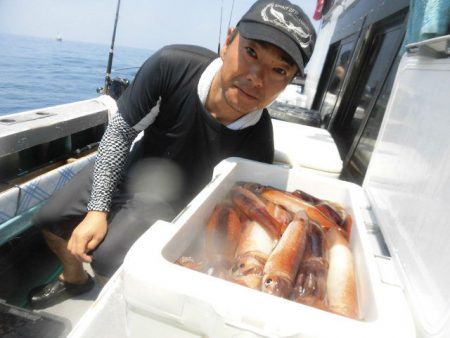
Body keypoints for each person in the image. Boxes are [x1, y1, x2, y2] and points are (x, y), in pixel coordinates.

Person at [28, 0, 316, 309]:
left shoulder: (258, 141)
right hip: (131, 169)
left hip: (175, 203)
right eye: (251, 52)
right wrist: (97, 211)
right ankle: (73, 279)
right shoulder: (171, 66)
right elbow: (119, 134)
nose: (257, 78)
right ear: (228, 41)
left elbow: (234, 211)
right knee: (49, 218)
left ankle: (117, 300)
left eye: (279, 70)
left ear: (287, 83)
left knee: (109, 258)